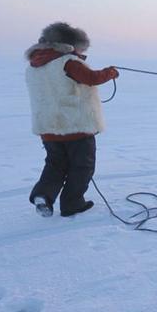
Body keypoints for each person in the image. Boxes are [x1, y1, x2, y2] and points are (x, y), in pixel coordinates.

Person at [25, 22, 119, 217]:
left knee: (55, 164)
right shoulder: (68, 61)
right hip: (75, 125)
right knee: (82, 166)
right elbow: (91, 78)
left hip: (48, 127)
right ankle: (72, 203)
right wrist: (110, 73)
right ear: (68, 44)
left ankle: (43, 195)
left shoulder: (34, 65)